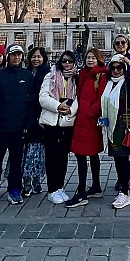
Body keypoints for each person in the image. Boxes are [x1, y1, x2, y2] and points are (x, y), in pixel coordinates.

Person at [0, 44, 32, 208]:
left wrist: (27, 124)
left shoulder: (27, 75)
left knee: (16, 162)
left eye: (19, 55)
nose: (16, 58)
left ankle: (14, 189)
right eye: (13, 55)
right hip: (1, 127)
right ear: (8, 57)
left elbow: (31, 103)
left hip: (19, 128)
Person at [67, 48, 107, 207]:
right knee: (87, 154)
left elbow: (101, 98)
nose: (90, 60)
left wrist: (90, 112)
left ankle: (82, 192)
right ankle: (95, 186)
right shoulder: (83, 74)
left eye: (93, 58)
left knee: (84, 154)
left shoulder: (101, 75)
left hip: (90, 119)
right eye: (88, 57)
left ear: (98, 59)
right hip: (81, 119)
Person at [39, 50, 79, 205]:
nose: (67, 64)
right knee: (52, 156)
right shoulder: (51, 75)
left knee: (63, 156)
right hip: (52, 120)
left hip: (67, 121)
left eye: (70, 61)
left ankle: (60, 187)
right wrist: (57, 106)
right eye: (64, 61)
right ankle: (52, 189)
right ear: (60, 63)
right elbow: (43, 97)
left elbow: (79, 97)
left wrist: (72, 109)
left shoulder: (76, 78)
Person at [101, 53, 130, 208]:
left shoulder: (128, 82)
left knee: (128, 157)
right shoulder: (109, 83)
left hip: (126, 124)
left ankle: (126, 189)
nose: (116, 71)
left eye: (119, 68)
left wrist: (128, 62)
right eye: (113, 68)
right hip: (113, 126)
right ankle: (126, 187)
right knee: (119, 158)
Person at [23, 46, 50, 198]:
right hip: (26, 116)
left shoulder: (47, 73)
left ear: (44, 58)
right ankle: (26, 180)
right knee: (26, 151)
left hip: (40, 116)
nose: (36, 59)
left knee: (37, 151)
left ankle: (37, 179)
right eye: (33, 56)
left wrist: (29, 97)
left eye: (39, 56)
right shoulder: (26, 72)